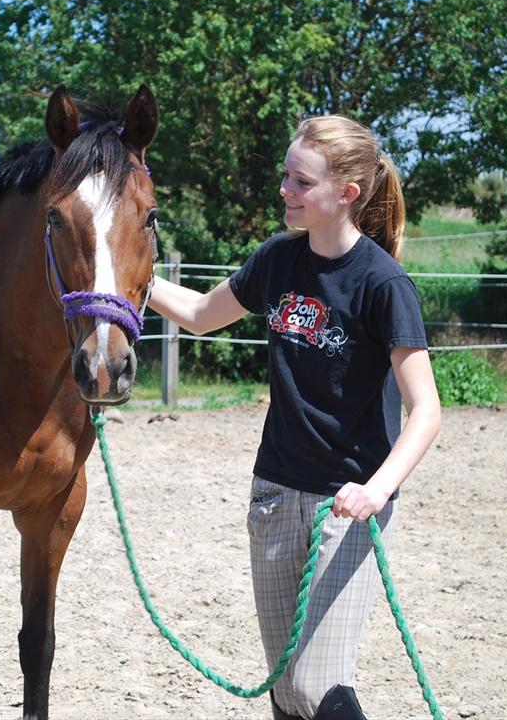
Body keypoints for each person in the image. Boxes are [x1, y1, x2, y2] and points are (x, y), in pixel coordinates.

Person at [146, 115, 442, 720]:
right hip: (274, 496)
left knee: (312, 684)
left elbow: (426, 410)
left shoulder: (383, 283)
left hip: (348, 508)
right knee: (286, 692)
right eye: (286, 175)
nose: (285, 189)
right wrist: (125, 275)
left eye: (301, 181)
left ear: (347, 193)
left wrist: (377, 490)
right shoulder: (277, 260)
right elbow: (200, 315)